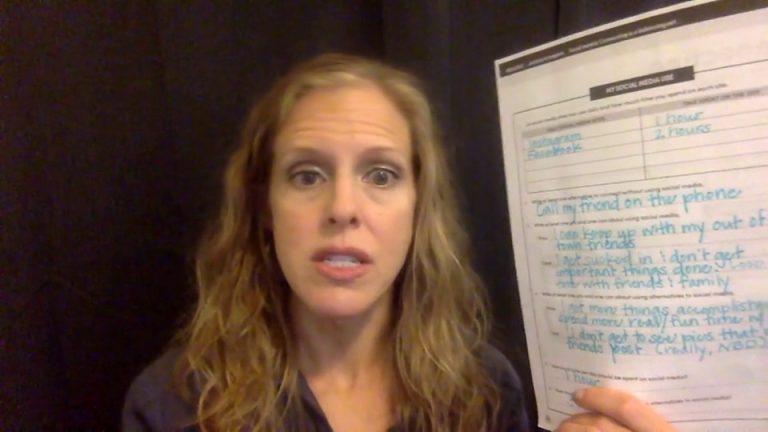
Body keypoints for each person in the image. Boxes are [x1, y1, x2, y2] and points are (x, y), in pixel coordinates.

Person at [122, 53, 674, 432]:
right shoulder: (174, 404)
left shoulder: (484, 389)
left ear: (418, 208)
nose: (343, 207)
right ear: (265, 207)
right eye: (307, 175)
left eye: (381, 175)